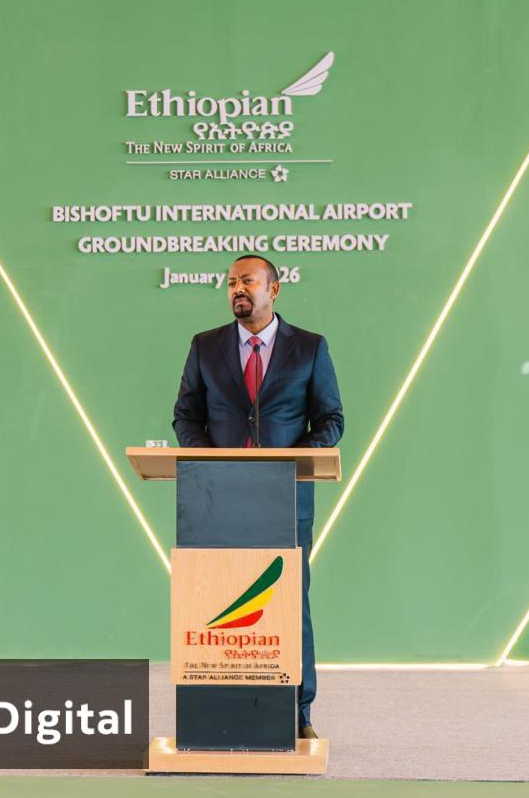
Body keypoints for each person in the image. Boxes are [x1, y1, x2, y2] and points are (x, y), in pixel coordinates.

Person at [172, 253, 344, 739]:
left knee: (290, 604)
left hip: (285, 499)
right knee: (219, 603)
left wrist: (289, 463)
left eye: (247, 280)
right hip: (218, 499)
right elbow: (186, 416)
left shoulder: (309, 347)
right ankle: (223, 708)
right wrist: (213, 466)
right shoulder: (205, 346)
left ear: (274, 289)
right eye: (231, 283)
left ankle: (300, 713)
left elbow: (331, 420)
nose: (237, 289)